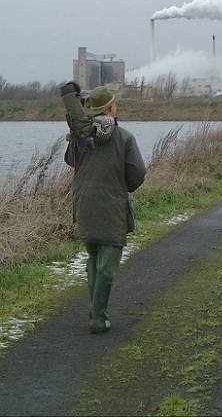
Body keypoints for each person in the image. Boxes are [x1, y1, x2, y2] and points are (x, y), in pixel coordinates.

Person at [64, 85, 146, 333]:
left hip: (84, 205)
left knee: (94, 258)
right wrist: (123, 187)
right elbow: (137, 174)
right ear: (110, 108)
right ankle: (97, 318)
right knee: (107, 267)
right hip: (111, 207)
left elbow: (69, 160)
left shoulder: (81, 136)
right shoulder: (124, 137)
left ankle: (94, 311)